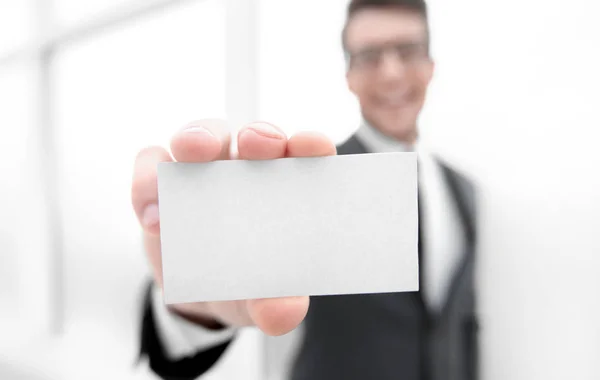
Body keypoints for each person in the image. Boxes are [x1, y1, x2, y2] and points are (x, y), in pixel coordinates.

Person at [131, 0, 479, 379]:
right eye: (369, 56)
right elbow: (199, 324)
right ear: (349, 75)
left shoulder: (464, 192)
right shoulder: (308, 180)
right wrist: (193, 310)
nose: (392, 73)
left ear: (430, 65)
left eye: (407, 51)